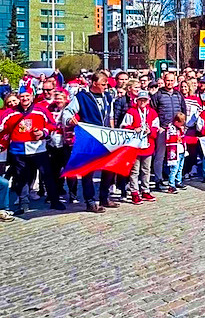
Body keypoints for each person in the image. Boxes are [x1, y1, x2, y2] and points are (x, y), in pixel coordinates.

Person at [2, 88, 62, 214]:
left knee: (47, 176)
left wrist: (43, 133)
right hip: (19, 151)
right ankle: (23, 204)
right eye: (22, 96)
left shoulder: (40, 110)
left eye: (27, 96)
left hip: (38, 149)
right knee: (21, 178)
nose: (25, 98)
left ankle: (54, 200)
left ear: (32, 96)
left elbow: (52, 125)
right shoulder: (10, 112)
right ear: (19, 97)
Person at [63, 71, 116, 212]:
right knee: (89, 170)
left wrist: (112, 131)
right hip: (89, 137)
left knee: (109, 167)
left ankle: (104, 197)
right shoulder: (82, 97)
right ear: (94, 83)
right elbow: (68, 111)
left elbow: (110, 115)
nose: (106, 86)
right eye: (103, 84)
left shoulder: (108, 97)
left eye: (106, 84)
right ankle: (90, 201)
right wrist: (69, 120)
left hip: (105, 137)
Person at [150, 72, 187, 192]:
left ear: (175, 81)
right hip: (163, 129)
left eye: (172, 80)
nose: (169, 83)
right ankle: (158, 179)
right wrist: (157, 126)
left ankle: (176, 180)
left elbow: (183, 110)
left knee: (178, 156)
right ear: (164, 81)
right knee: (160, 155)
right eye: (167, 80)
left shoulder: (178, 95)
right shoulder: (158, 95)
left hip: (176, 130)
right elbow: (153, 112)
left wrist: (183, 125)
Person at [121, 91, 160, 204]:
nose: (142, 102)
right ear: (136, 101)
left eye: (144, 100)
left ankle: (145, 190)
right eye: (140, 100)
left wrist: (150, 130)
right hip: (135, 146)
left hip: (148, 145)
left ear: (148, 101)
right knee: (135, 170)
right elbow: (124, 126)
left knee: (146, 169)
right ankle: (134, 192)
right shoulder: (131, 112)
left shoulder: (152, 113)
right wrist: (133, 129)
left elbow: (156, 127)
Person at [165, 112, 188, 193]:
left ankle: (178, 181)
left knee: (180, 167)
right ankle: (171, 185)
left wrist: (182, 131)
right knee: (174, 168)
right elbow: (172, 139)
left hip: (182, 149)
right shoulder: (170, 128)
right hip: (175, 151)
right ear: (176, 122)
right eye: (181, 123)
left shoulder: (180, 128)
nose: (182, 125)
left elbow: (183, 138)